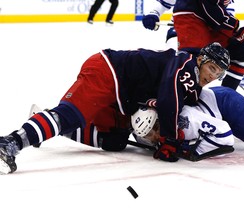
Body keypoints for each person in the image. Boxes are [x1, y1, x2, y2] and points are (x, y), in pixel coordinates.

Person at [0, 42, 230, 174]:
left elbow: (169, 101)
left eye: (218, 74)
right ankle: (11, 142)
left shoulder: (193, 83)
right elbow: (170, 100)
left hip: (123, 97)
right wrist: (169, 139)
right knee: (69, 115)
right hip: (108, 71)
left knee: (114, 140)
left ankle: (41, 124)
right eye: (212, 68)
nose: (212, 76)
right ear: (201, 59)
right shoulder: (187, 66)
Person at [131, 85, 244, 162]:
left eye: (155, 129)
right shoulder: (145, 126)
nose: (154, 137)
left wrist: (189, 150)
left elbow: (224, 135)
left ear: (159, 119)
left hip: (228, 106)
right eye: (148, 136)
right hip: (210, 100)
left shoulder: (185, 120)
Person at [142, 0, 244, 93]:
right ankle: (167, 93)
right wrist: (154, 13)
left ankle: (234, 93)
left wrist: (239, 35)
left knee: (232, 52)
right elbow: (164, 3)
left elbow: (223, 17)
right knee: (183, 64)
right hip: (184, 26)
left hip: (211, 24)